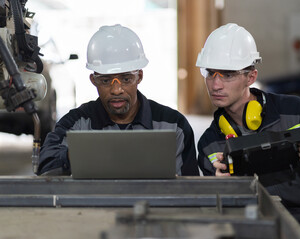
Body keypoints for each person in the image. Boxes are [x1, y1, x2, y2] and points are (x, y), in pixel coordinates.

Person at [196, 23, 300, 239]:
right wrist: (221, 188)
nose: (215, 85)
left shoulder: (294, 110)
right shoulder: (209, 143)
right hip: (262, 227)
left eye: (227, 75)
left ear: (251, 77)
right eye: (210, 73)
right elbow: (219, 212)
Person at [38, 24, 199, 177]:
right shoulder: (76, 123)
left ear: (139, 77)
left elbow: (190, 189)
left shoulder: (174, 126)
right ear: (93, 80)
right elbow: (45, 168)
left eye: (126, 79)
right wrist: (77, 154)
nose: (116, 90)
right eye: (106, 81)